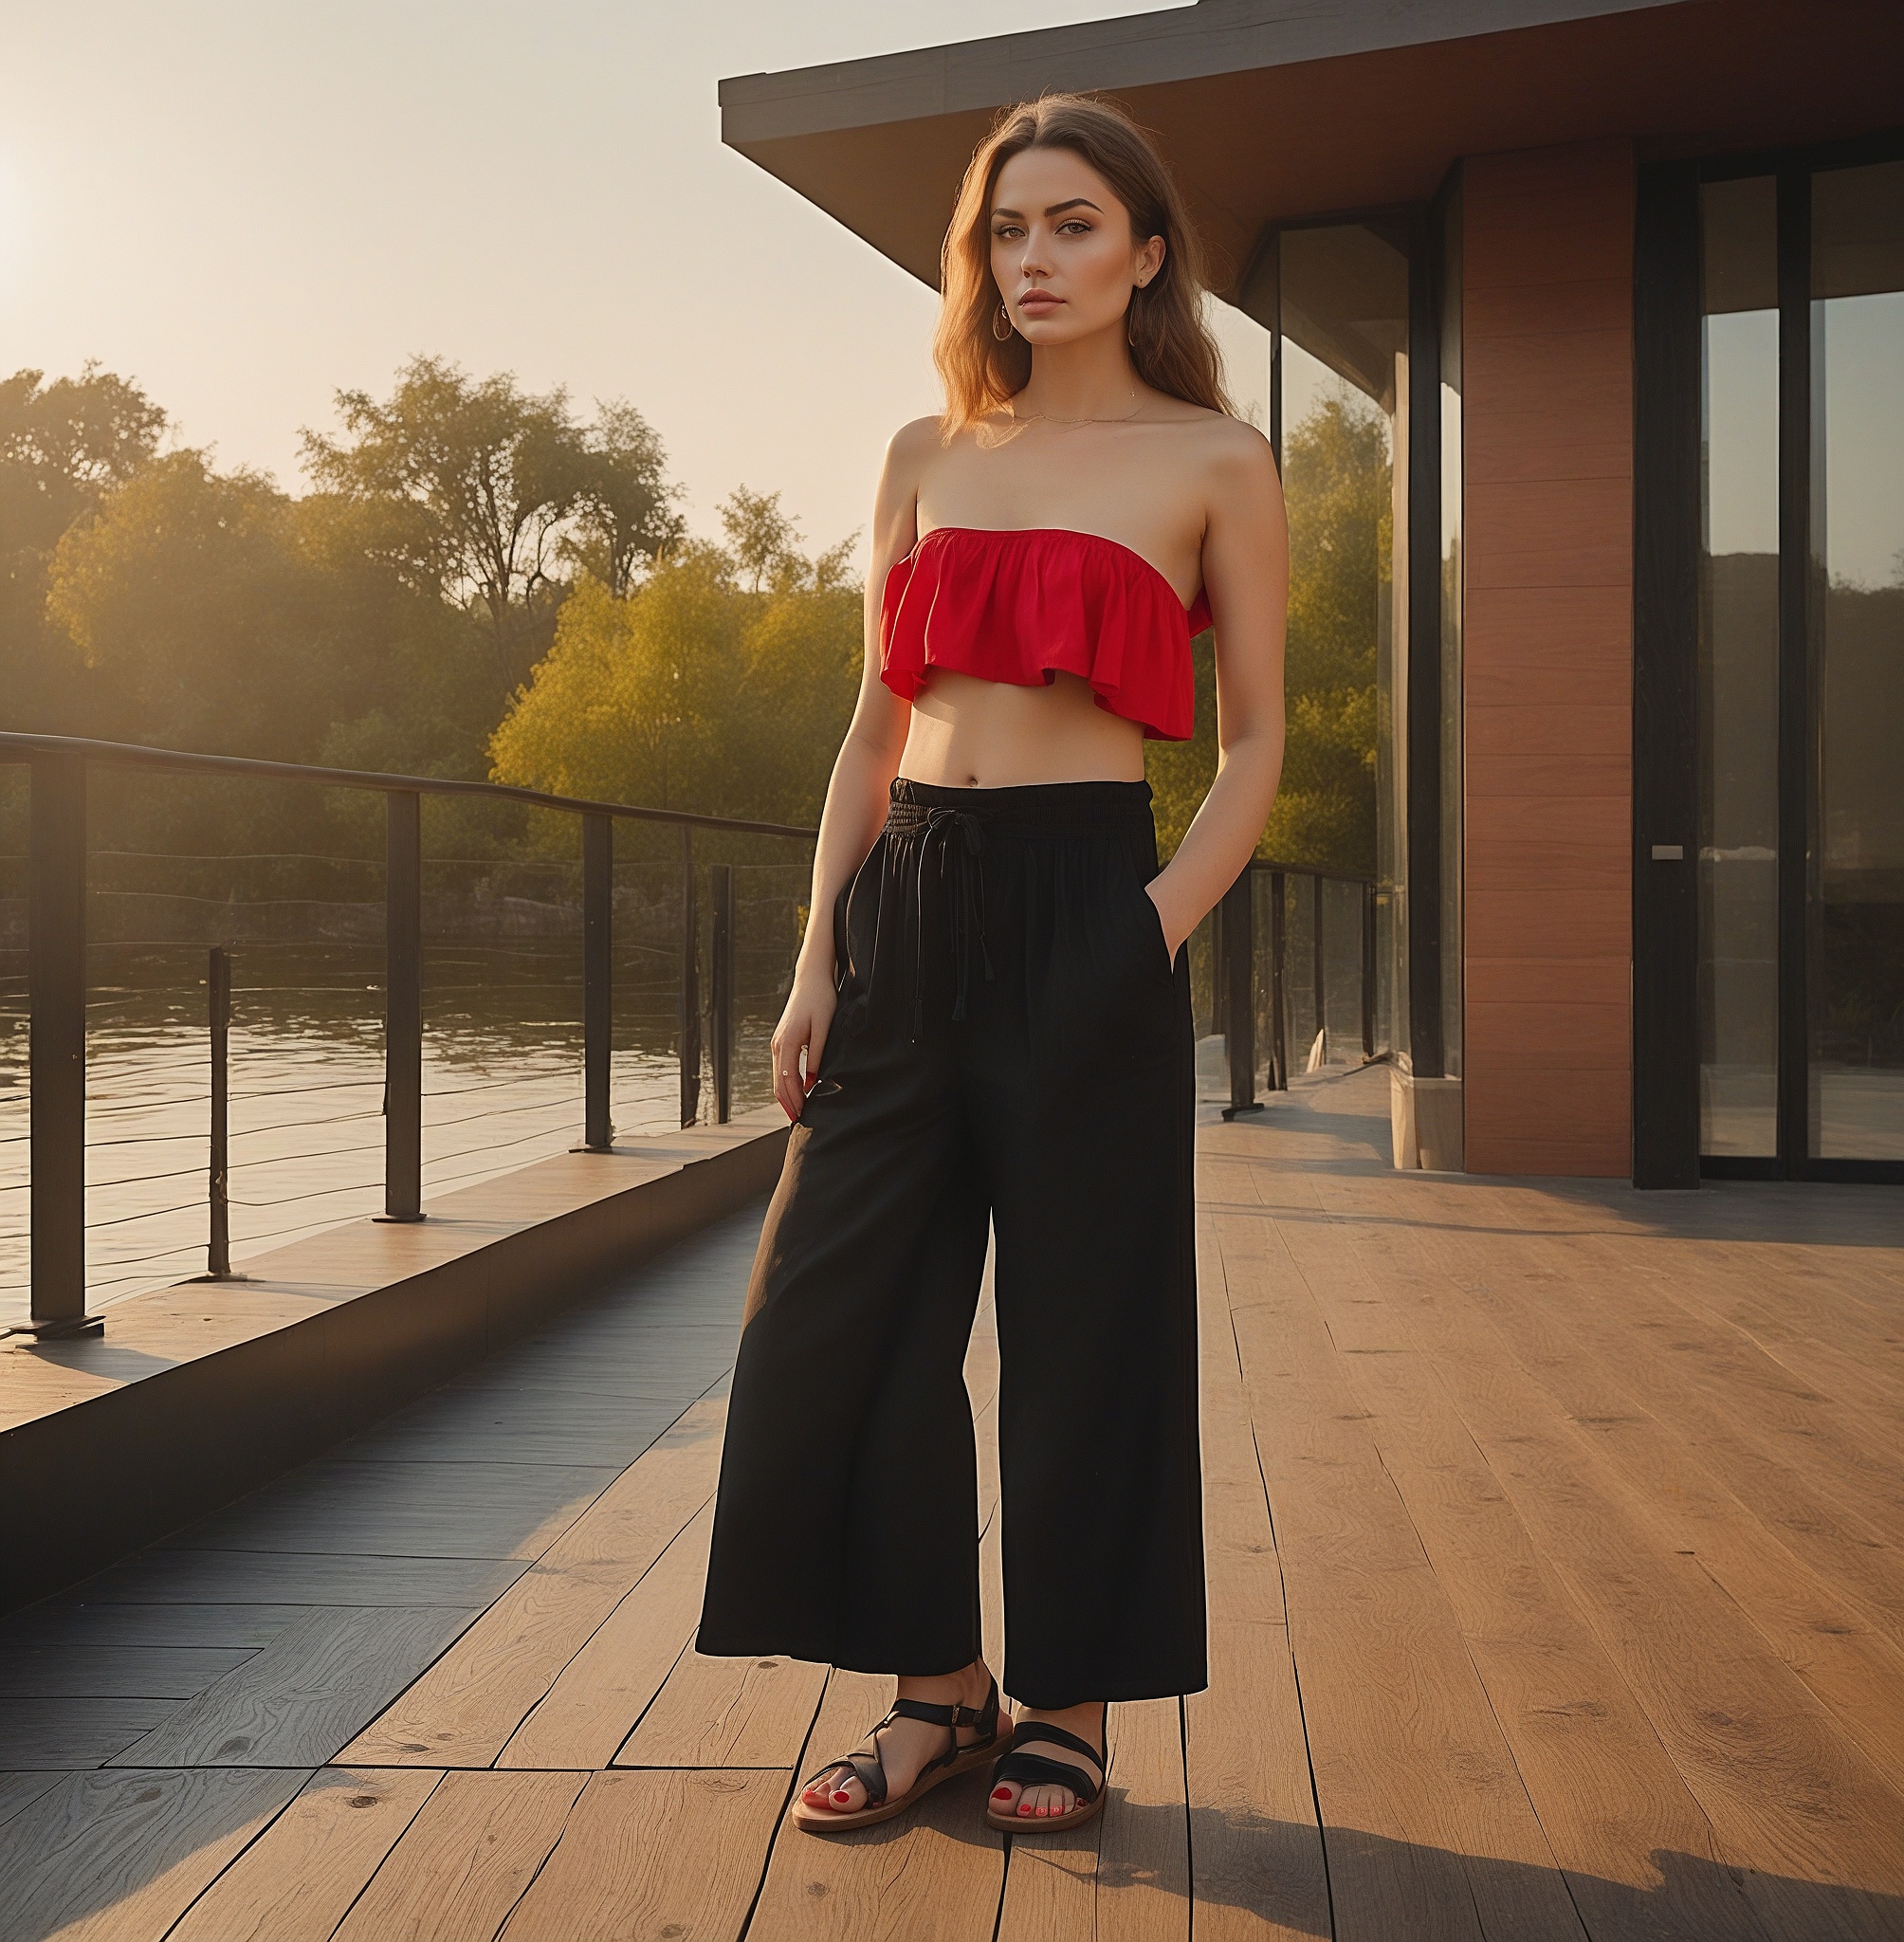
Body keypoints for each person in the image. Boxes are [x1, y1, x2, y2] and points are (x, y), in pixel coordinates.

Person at [695, 92, 1286, 1838]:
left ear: (1145, 254)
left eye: (1074, 227)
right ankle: (933, 1689)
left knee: (1086, 1328)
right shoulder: (925, 451)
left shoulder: (1213, 463)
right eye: (1008, 231)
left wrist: (1149, 928)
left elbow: (1255, 749)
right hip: (909, 907)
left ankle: (1070, 1709)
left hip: (1089, 901)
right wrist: (817, 962)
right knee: (841, 1314)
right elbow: (870, 735)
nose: (1034, 260)